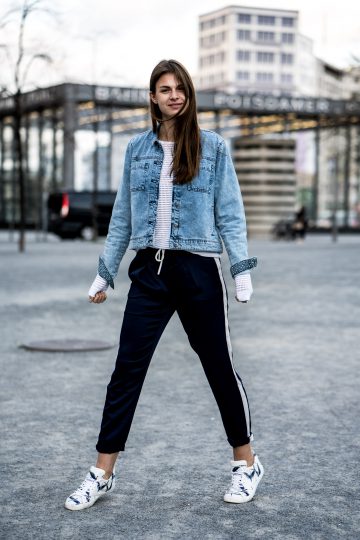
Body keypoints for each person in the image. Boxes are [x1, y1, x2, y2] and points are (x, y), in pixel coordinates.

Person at [64, 59, 264, 511]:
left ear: (188, 95)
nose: (173, 95)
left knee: (218, 368)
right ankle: (102, 472)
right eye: (164, 88)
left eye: (180, 88)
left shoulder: (212, 147)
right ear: (152, 97)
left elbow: (230, 212)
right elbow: (122, 218)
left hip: (198, 270)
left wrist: (241, 269)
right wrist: (105, 271)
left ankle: (246, 463)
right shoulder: (136, 149)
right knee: (126, 372)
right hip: (148, 274)